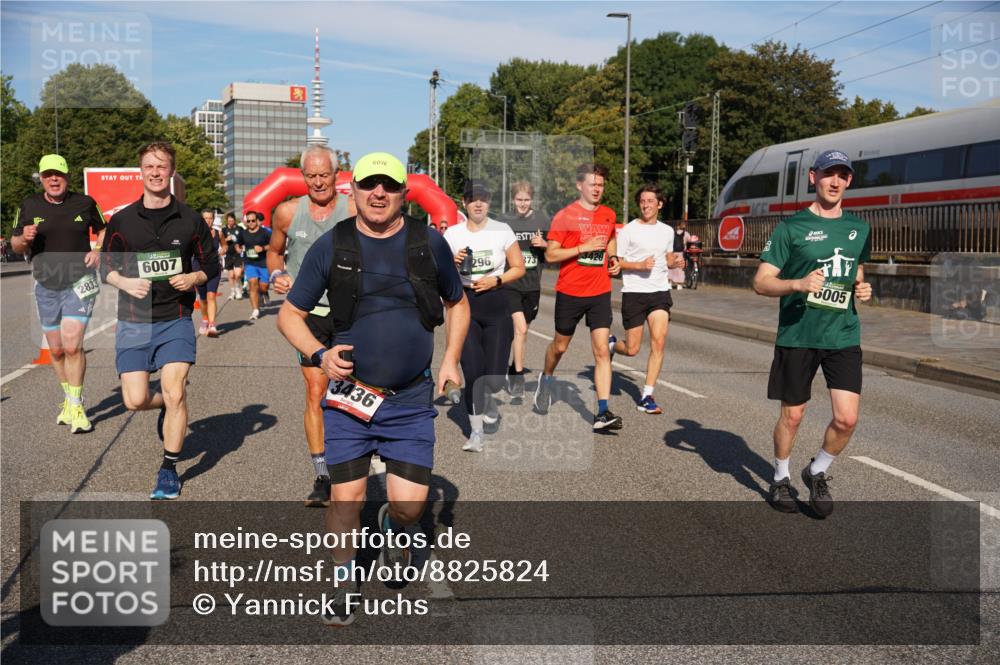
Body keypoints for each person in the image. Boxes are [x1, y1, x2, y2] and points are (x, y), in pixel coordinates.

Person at [277, 151, 468, 626]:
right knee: (345, 500)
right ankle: (344, 581)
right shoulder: (333, 245)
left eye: (389, 185)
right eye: (369, 185)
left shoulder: (427, 241)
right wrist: (319, 355)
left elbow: (457, 302)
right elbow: (290, 315)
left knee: (409, 508)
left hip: (410, 399)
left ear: (405, 193)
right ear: (355, 190)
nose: (378, 193)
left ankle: (392, 525)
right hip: (350, 396)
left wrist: (450, 358)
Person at [753, 149, 872, 517]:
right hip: (798, 334)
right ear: (813, 177)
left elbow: (856, 269)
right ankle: (780, 478)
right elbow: (761, 282)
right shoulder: (790, 228)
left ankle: (817, 470)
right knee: (793, 415)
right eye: (828, 174)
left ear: (849, 181)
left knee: (847, 419)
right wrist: (797, 284)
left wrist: (862, 287)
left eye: (842, 175)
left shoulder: (859, 229)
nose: (835, 182)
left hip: (843, 335)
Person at [101, 142, 218, 499]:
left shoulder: (190, 219)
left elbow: (211, 265)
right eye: (149, 166)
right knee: (135, 400)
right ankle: (165, 405)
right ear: (141, 171)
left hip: (176, 318)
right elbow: (106, 266)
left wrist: (194, 278)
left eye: (162, 166)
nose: (155, 172)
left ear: (171, 171)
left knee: (175, 390)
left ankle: (168, 469)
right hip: (133, 320)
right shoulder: (122, 220)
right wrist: (124, 282)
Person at [268, 145, 353, 507]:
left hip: (352, 312)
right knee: (317, 392)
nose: (318, 182)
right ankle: (323, 475)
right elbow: (274, 251)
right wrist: (277, 274)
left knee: (354, 389)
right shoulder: (287, 212)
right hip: (309, 314)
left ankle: (358, 461)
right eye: (311, 176)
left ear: (337, 175)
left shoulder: (355, 209)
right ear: (302, 176)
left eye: (324, 175)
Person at [11, 154, 106, 433]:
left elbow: (104, 230)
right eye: (48, 174)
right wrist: (24, 238)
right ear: (41, 179)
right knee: (55, 349)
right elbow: (16, 244)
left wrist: (97, 251)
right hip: (46, 286)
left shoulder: (85, 203)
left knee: (73, 346)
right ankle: (68, 398)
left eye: (59, 174)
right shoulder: (29, 205)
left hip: (80, 282)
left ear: (67, 176)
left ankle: (76, 405)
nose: (54, 179)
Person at [534, 163, 622, 431]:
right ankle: (546, 379)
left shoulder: (608, 214)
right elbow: (551, 254)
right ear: (579, 185)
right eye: (592, 184)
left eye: (601, 185)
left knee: (602, 351)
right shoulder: (565, 216)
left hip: (600, 291)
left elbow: (610, 240)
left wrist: (614, 258)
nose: (597, 189)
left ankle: (603, 412)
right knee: (560, 347)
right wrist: (583, 247)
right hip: (570, 291)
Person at [445, 181, 524, 452]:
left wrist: (496, 280)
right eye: (473, 199)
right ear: (464, 203)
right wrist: (452, 262)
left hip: (496, 304)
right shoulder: (452, 234)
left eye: (483, 198)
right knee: (473, 373)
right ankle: (476, 433)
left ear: (489, 202)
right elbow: (439, 273)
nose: (478, 203)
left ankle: (490, 400)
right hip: (465, 305)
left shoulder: (502, 230)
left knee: (494, 379)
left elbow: (518, 267)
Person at [612, 184, 685, 415]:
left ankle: (647, 395)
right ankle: (613, 345)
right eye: (642, 201)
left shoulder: (667, 231)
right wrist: (639, 265)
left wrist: (676, 262)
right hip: (634, 292)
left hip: (659, 292)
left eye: (650, 201)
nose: (645, 205)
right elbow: (617, 263)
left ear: (659, 204)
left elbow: (667, 258)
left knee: (659, 342)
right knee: (632, 349)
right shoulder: (629, 230)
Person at [501, 180, 547, 401]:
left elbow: (556, 249)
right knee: (520, 329)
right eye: (519, 199)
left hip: (532, 286)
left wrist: (544, 244)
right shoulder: (504, 222)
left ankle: (513, 367)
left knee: (523, 332)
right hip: (511, 284)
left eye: (526, 200)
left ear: (532, 200)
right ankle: (518, 378)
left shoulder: (542, 220)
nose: (522, 203)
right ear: (513, 199)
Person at [239, 211, 271, 320]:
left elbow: (273, 244)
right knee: (252, 284)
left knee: (263, 286)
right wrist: (238, 249)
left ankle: (263, 293)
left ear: (257, 221)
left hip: (263, 263)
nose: (251, 223)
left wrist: (263, 248)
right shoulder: (243, 233)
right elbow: (238, 244)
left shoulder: (265, 232)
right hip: (250, 263)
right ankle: (255, 310)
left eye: (253, 220)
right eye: (248, 221)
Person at [195, 209, 222, 337]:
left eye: (210, 218)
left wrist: (223, 250)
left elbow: (225, 245)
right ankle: (205, 319)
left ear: (213, 219)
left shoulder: (218, 233)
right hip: (199, 268)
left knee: (211, 295)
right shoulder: (195, 233)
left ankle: (212, 325)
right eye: (205, 218)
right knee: (203, 298)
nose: (208, 221)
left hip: (214, 268)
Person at [220, 212, 244, 300]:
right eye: (229, 221)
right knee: (231, 276)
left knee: (238, 274)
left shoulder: (239, 229)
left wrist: (242, 247)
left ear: (234, 220)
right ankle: (232, 292)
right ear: (227, 221)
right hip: (228, 255)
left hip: (237, 254)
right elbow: (221, 242)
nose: (230, 222)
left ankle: (238, 289)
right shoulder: (224, 230)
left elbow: (243, 239)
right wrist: (227, 239)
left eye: (232, 221)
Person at [669, 220, 690, 289]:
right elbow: (690, 242)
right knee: (680, 268)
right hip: (681, 253)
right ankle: (679, 285)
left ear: (678, 226)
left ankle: (669, 283)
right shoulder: (686, 234)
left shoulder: (672, 234)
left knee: (671, 268)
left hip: (673, 253)